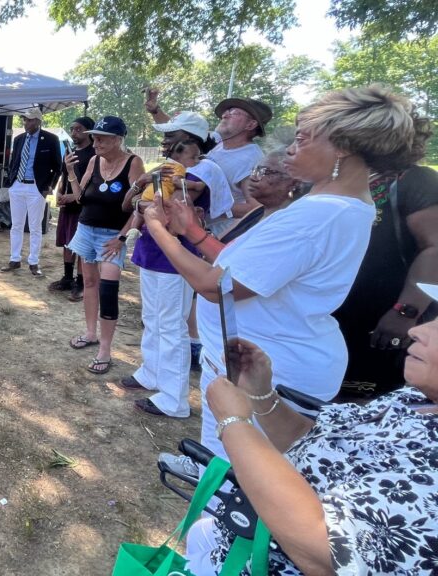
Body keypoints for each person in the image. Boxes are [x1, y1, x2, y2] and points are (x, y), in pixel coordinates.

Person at [144, 85, 421, 461]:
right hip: (250, 360)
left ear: (342, 146)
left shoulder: (318, 216)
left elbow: (216, 285)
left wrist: (158, 229)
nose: (292, 147)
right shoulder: (332, 204)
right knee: (222, 455)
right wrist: (193, 232)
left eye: (304, 138)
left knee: (243, 476)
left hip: (270, 369)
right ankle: (208, 474)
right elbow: (247, 269)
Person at [184, 289, 438, 575]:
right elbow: (319, 443)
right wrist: (261, 394)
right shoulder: (415, 399)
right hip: (245, 540)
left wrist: (234, 424)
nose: (417, 330)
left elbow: (325, 552)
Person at [116, 114, 228, 418]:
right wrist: (143, 196)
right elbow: (138, 203)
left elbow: (165, 206)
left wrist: (143, 195)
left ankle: (174, 397)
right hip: (152, 251)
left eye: (170, 136)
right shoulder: (168, 170)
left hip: (174, 258)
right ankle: (151, 372)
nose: (163, 142)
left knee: (171, 325)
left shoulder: (202, 170)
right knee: (151, 317)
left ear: (189, 139)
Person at [333, 118, 438, 396]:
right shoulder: (334, 180)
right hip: (334, 315)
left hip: (384, 320)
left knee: (364, 403)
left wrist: (405, 311)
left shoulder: (415, 180)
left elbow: (435, 248)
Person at [64, 116, 145, 375]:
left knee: (108, 290)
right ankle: (90, 333)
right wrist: (70, 174)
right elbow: (79, 197)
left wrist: (122, 237)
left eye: (101, 138)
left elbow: (139, 206)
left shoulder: (134, 163)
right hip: (86, 230)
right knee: (89, 283)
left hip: (112, 236)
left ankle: (105, 349)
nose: (95, 142)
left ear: (118, 140)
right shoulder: (94, 161)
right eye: (95, 137)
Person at [147, 89, 270, 234]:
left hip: (216, 235)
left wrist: (206, 203)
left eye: (234, 113)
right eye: (227, 111)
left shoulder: (253, 160)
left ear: (251, 125)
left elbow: (257, 208)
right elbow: (178, 128)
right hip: (185, 225)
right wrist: (155, 111)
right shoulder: (216, 141)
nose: (224, 115)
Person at [1, 108, 63, 277]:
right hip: (18, 186)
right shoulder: (19, 139)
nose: (26, 123)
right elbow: (14, 161)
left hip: (36, 187)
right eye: (25, 120)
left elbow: (58, 166)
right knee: (16, 225)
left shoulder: (51, 139)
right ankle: (14, 259)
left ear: (38, 121)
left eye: (29, 120)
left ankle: (34, 262)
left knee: (35, 227)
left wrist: (49, 186)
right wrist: (11, 181)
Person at [49, 117, 95, 301]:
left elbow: (93, 182)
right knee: (67, 242)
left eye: (78, 129)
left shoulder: (94, 154)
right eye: (72, 129)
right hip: (67, 207)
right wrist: (59, 193)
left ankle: (81, 282)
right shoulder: (70, 152)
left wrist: (75, 197)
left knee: (81, 247)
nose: (74, 133)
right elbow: (63, 175)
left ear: (89, 131)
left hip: (84, 208)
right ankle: (67, 278)